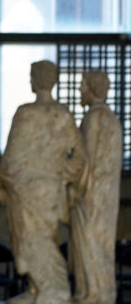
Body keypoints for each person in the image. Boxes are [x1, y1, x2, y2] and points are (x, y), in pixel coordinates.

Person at [0, 60, 86, 304]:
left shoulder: (25, 113)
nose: (29, 80)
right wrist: (61, 174)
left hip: (26, 188)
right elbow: (79, 155)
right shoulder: (63, 113)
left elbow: (11, 157)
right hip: (50, 189)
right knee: (44, 238)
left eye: (31, 76)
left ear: (36, 80)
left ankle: (54, 290)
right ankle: (38, 289)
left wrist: (1, 181)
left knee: (31, 239)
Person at [69, 71, 121, 304]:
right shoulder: (112, 118)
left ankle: (91, 293)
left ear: (92, 88)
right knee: (102, 243)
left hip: (91, 193)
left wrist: (73, 189)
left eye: (82, 85)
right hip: (107, 194)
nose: (80, 90)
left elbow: (85, 160)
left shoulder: (94, 117)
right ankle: (103, 292)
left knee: (88, 242)